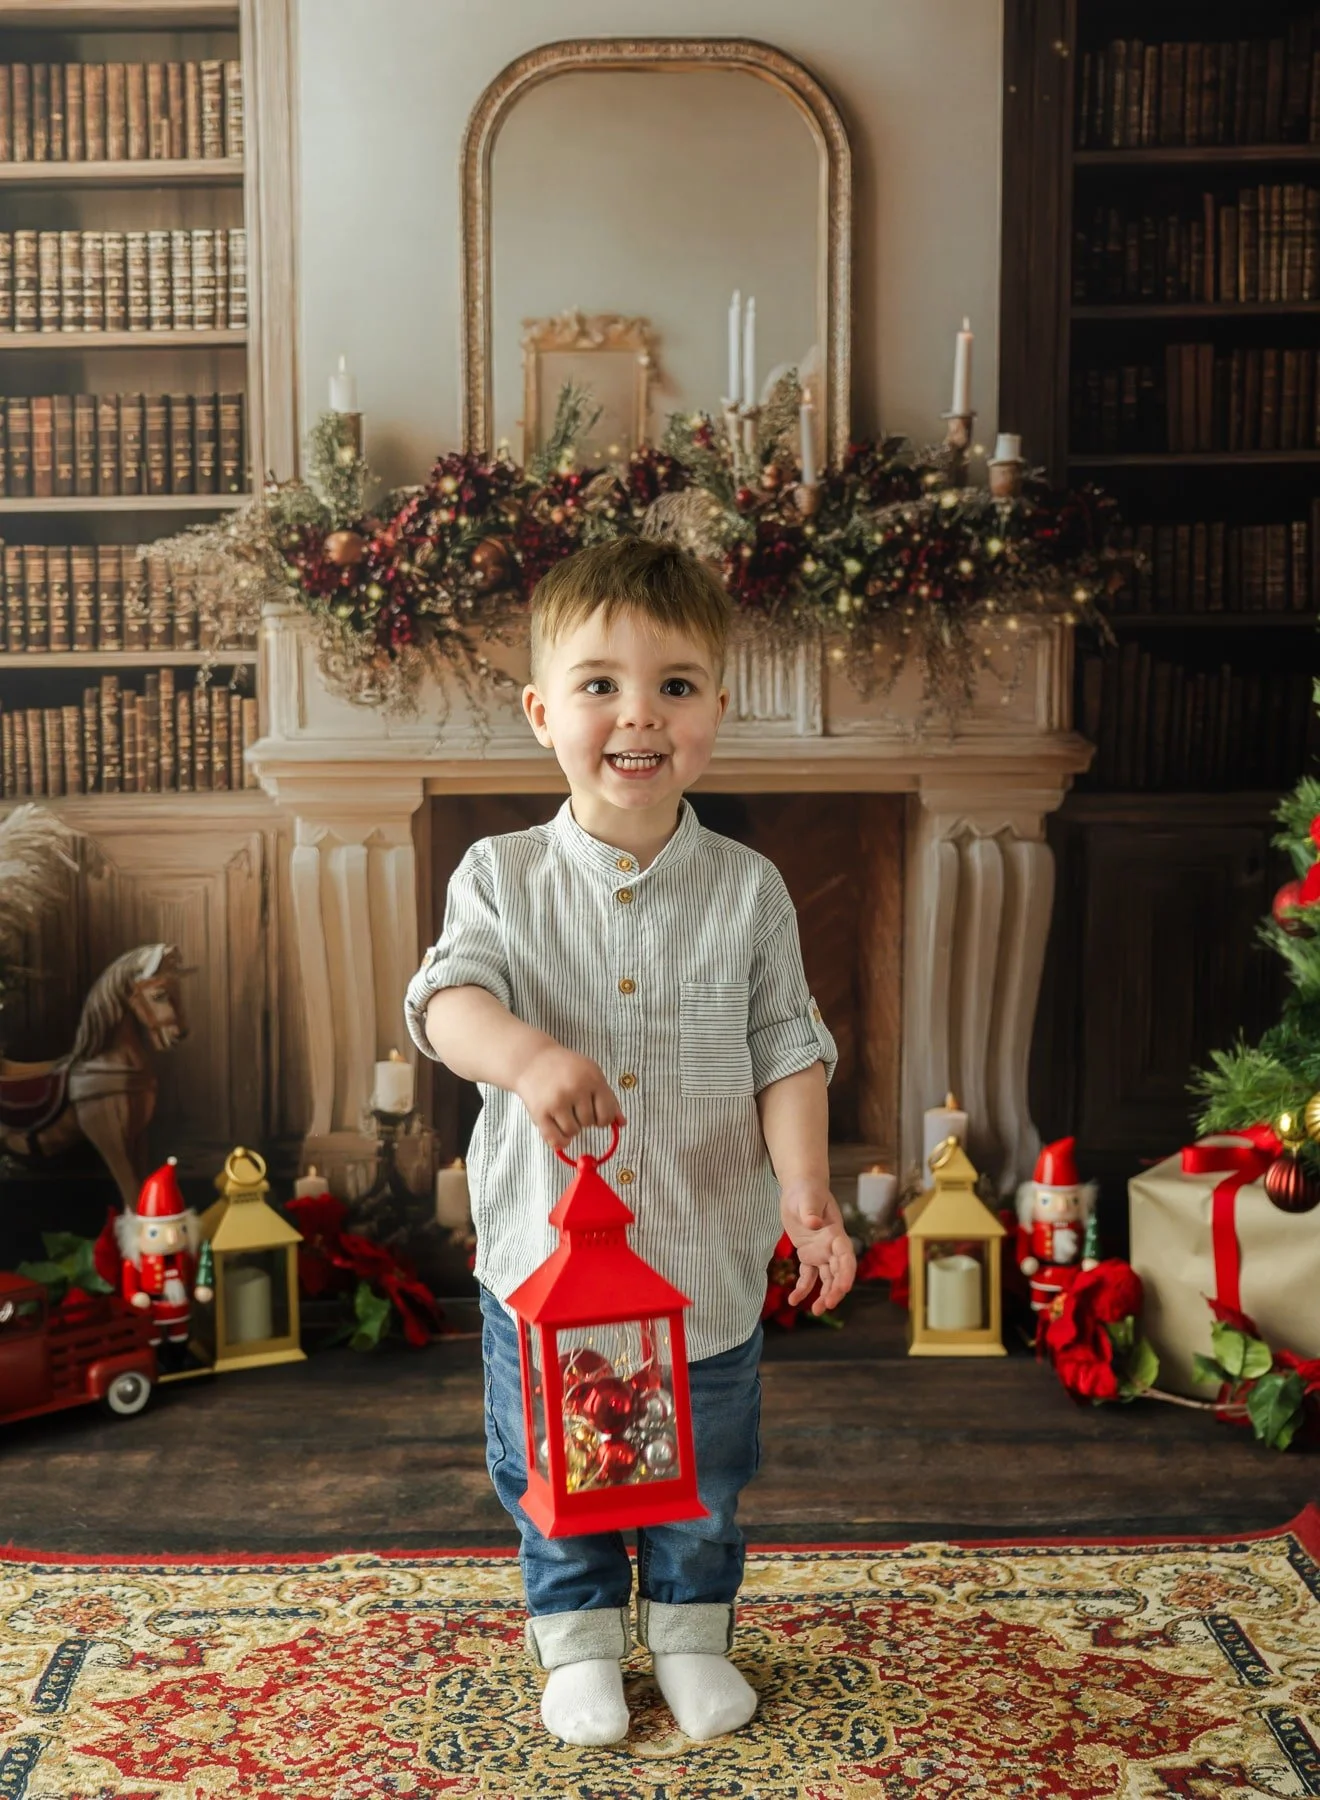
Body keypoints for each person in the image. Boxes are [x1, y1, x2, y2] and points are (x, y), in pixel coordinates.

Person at [404, 536, 854, 1747]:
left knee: (704, 1468)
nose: (636, 715)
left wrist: (806, 1193)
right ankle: (582, 1640)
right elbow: (447, 1005)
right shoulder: (498, 875)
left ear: (717, 706)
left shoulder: (750, 889)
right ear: (543, 710)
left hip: (703, 1257)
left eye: (675, 684)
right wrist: (531, 1058)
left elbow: (787, 1049)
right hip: (548, 1272)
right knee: (560, 1469)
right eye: (600, 683)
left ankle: (694, 1634)